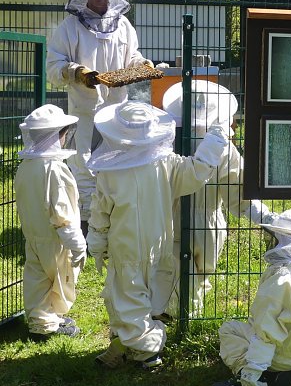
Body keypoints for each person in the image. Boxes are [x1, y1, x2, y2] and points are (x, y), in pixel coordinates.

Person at [85, 100, 228, 369]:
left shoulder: (110, 170)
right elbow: (197, 171)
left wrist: (96, 242)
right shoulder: (166, 163)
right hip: (160, 242)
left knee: (127, 296)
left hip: (125, 245)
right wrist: (216, 137)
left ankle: (147, 349)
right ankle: (125, 343)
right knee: (150, 295)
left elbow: (100, 212)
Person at [46, 0, 153, 236]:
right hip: (85, 112)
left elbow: (132, 58)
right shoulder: (69, 27)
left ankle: (115, 226)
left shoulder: (124, 26)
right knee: (84, 167)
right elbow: (53, 66)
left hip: (118, 113)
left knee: (118, 166)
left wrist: (142, 64)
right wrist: (77, 72)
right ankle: (85, 231)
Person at [162, 80, 273, 317]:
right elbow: (239, 195)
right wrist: (268, 218)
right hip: (208, 224)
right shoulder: (222, 147)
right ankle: (185, 321)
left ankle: (174, 322)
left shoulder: (164, 144)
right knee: (198, 278)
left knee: (171, 275)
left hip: (169, 220)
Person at [213, 209, 291, 386]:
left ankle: (257, 377)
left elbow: (267, 330)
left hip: (278, 357)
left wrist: (251, 374)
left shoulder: (282, 279)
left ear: (283, 239)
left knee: (229, 329)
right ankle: (283, 374)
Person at [14, 104, 87, 340]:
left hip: (33, 235)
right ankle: (49, 324)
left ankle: (41, 322)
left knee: (37, 278)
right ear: (57, 135)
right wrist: (77, 244)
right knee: (60, 278)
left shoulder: (26, 166)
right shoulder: (55, 169)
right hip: (56, 239)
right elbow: (62, 213)